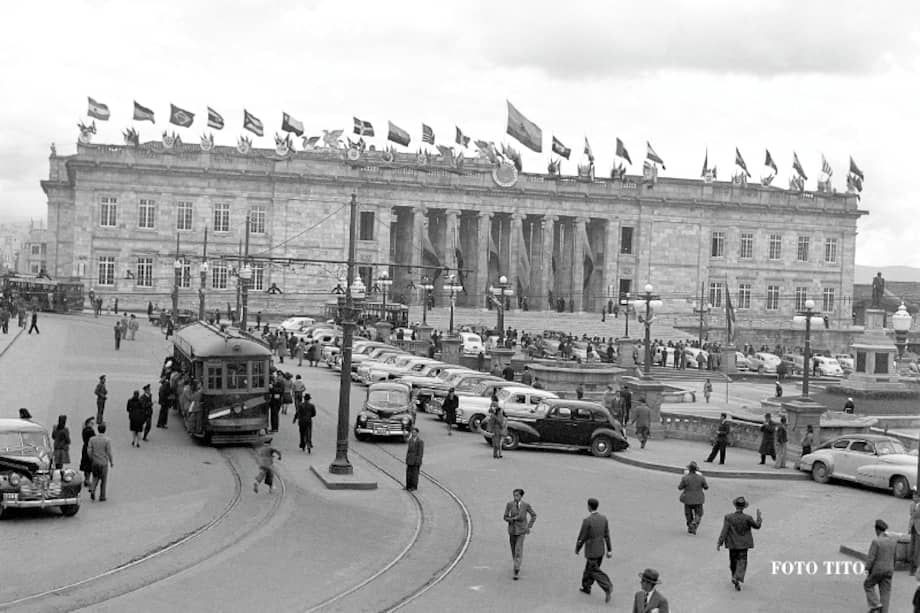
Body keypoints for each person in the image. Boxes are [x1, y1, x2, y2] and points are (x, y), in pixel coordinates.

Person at [717, 496, 762, 591]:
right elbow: (757, 526)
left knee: (733, 562)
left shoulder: (728, 517)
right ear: (744, 507)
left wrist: (720, 542)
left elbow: (724, 530)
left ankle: (734, 576)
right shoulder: (748, 518)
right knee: (742, 562)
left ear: (735, 506)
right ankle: (737, 577)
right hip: (743, 544)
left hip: (732, 544)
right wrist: (759, 518)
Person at [575, 497, 613, 604]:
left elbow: (582, 537)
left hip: (591, 551)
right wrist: (609, 549)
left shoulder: (587, 521)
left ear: (589, 507)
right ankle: (586, 586)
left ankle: (607, 586)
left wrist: (578, 548)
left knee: (593, 571)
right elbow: (607, 535)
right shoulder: (603, 519)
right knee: (589, 569)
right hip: (600, 549)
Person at [503, 488, 538, 580]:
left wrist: (529, 526)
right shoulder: (509, 504)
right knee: (513, 550)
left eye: (517, 495)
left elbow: (533, 515)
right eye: (514, 495)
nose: (515, 497)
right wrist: (511, 519)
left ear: (521, 496)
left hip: (521, 531)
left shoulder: (526, 505)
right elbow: (505, 517)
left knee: (518, 550)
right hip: (512, 530)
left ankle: (516, 570)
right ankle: (516, 562)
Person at [864, 519, 896, 613]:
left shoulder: (876, 541)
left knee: (868, 585)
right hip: (889, 570)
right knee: (885, 592)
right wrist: (892, 568)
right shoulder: (892, 541)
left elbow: (871, 558)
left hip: (877, 571)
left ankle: (875, 604)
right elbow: (895, 557)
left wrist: (867, 568)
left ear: (877, 530)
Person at [678, 461, 708, 534]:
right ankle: (694, 522)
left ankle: (690, 525)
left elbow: (680, 487)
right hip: (699, 499)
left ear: (689, 469)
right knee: (699, 513)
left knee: (688, 513)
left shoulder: (685, 478)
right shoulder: (701, 478)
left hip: (688, 499)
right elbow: (706, 487)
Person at [87, 423, 114, 502]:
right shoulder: (107, 440)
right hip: (103, 462)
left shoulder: (92, 439)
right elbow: (109, 452)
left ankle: (92, 489)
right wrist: (111, 461)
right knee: (103, 480)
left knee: (95, 477)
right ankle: (102, 496)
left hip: (95, 462)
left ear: (98, 430)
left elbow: (89, 451)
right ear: (105, 430)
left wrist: (91, 458)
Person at [405, 427, 424, 491]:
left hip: (415, 461)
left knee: (414, 475)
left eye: (415, 433)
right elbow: (408, 451)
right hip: (409, 460)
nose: (413, 434)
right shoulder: (410, 440)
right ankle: (408, 486)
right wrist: (407, 459)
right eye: (412, 432)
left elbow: (420, 453)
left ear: (417, 433)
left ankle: (414, 486)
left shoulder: (420, 441)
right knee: (408, 474)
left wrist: (418, 461)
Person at [79, 417, 96, 484]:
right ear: (88, 423)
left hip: (85, 447)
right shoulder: (90, 431)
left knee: (85, 464)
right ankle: (87, 480)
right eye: (91, 423)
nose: (93, 424)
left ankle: (86, 479)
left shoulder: (84, 430)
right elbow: (93, 439)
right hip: (90, 448)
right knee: (89, 465)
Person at [910, 494, 920, 575]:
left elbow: (915, 515)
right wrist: (909, 528)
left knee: (917, 550)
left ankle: (915, 568)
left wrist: (914, 514)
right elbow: (911, 515)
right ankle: (911, 567)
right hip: (912, 528)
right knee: (911, 549)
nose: (913, 498)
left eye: (915, 497)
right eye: (913, 496)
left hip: (919, 530)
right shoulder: (912, 504)